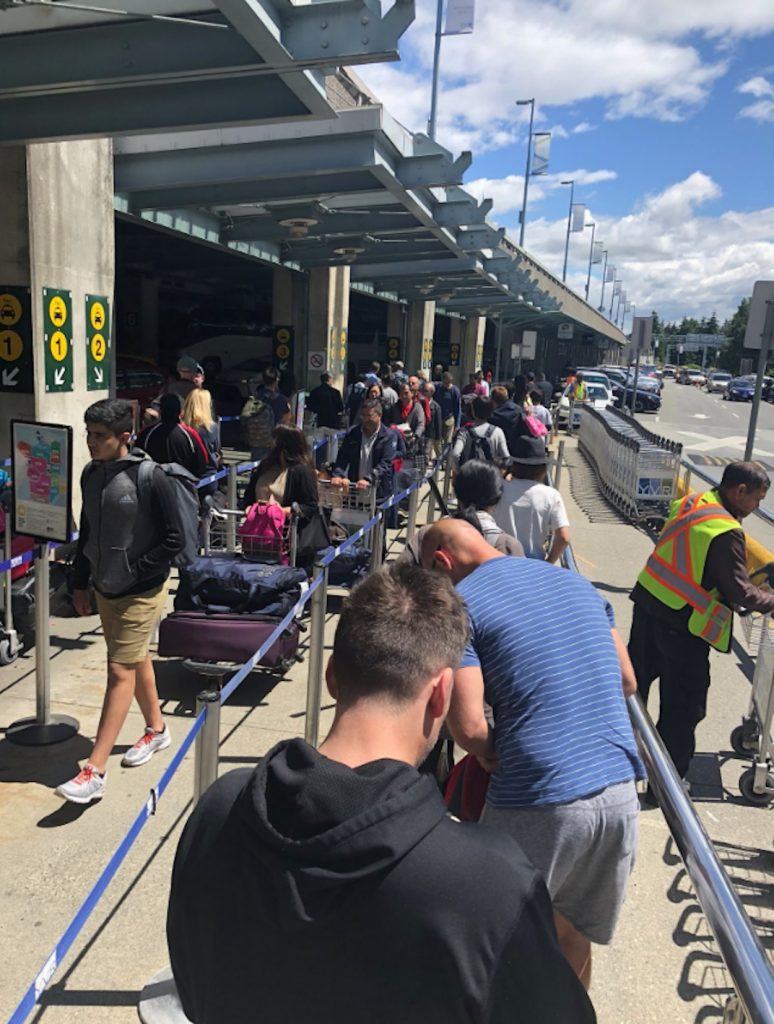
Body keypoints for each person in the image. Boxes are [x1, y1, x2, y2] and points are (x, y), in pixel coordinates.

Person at [166, 564, 595, 1024]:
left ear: (332, 675)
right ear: (440, 696)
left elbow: (193, 985)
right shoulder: (491, 884)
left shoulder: (218, 809)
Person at [420, 519, 643, 989]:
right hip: (620, 789)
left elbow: (469, 727)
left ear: (442, 561)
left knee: (498, 944)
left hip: (540, 798)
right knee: (570, 935)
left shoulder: (462, 606)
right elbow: (627, 679)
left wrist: (493, 753)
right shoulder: (573, 581)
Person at [56, 400, 183, 804]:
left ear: (125, 437)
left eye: (100, 436)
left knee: (119, 671)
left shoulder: (151, 477)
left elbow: (174, 539)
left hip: (141, 589)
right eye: (88, 434)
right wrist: (79, 582)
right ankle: (157, 730)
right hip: (103, 585)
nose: (91, 442)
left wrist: (136, 569)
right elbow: (88, 530)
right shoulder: (91, 474)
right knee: (135, 656)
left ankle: (94, 770)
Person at [628, 461, 774, 789]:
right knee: (682, 708)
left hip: (649, 604)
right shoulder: (725, 531)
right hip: (681, 626)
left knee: (633, 692)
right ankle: (667, 786)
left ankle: (620, 766)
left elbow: (695, 562)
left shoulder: (693, 502)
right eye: (757, 499)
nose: (758, 506)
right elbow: (740, 591)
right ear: (739, 491)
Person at [402, 460, 524, 564]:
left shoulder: (427, 536)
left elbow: (394, 582)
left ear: (456, 490)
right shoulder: (509, 547)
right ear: (497, 498)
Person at [241, 425, 323, 564]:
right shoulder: (264, 466)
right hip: (256, 538)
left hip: (285, 542)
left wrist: (280, 511)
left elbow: (310, 506)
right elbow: (248, 497)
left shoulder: (301, 471)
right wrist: (251, 508)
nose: (269, 443)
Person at [493, 436, 570, 562]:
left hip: (499, 561)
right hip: (533, 565)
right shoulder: (551, 495)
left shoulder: (497, 488)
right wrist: (549, 563)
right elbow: (564, 537)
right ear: (542, 468)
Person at [331, 399, 397, 502]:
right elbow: (343, 456)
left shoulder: (389, 436)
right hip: (355, 490)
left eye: (370, 416)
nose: (366, 419)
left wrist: (369, 478)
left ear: (379, 416)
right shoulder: (353, 433)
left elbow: (386, 463)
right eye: (363, 415)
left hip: (378, 493)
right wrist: (338, 475)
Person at [135, 393, 210, 480]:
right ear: (181, 411)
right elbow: (203, 462)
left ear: (160, 411)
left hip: (153, 484)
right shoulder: (189, 434)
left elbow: (137, 459)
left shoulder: (146, 433)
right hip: (184, 484)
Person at [242, 366, 292, 462]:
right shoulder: (281, 399)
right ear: (277, 380)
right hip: (274, 440)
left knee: (257, 466)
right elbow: (287, 419)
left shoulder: (256, 397)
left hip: (256, 439)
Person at [452, 396, 509, 467]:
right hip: (490, 474)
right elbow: (506, 457)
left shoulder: (464, 431)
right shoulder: (498, 431)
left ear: (473, 411)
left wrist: (459, 470)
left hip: (469, 473)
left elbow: (455, 454)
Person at [182, 388, 220, 471]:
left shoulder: (181, 427)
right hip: (208, 471)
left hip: (186, 470)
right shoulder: (211, 427)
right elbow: (216, 448)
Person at [490, 384, 528, 453]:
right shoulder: (518, 410)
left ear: (493, 399)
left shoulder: (491, 415)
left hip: (495, 449)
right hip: (514, 447)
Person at [437, 371, 461, 444]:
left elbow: (458, 408)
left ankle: (447, 455)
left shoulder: (455, 391)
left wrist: (457, 424)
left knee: (448, 441)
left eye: (449, 382)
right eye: (445, 382)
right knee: (438, 441)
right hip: (438, 419)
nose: (447, 385)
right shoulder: (438, 388)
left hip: (449, 419)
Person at [423, 382, 443, 461]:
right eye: (423, 390)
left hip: (431, 433)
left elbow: (438, 423)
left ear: (431, 393)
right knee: (424, 453)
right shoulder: (419, 403)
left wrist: (438, 437)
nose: (423, 392)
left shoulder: (436, 406)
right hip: (422, 433)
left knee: (428, 452)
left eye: (426, 391)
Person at [567, 372, 588, 437]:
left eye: (581, 377)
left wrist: (585, 399)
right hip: (574, 403)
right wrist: (571, 397)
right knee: (572, 417)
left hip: (581, 403)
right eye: (579, 377)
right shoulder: (573, 384)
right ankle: (570, 429)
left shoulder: (584, 384)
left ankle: (578, 430)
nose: (580, 379)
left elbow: (586, 393)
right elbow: (569, 392)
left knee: (580, 418)